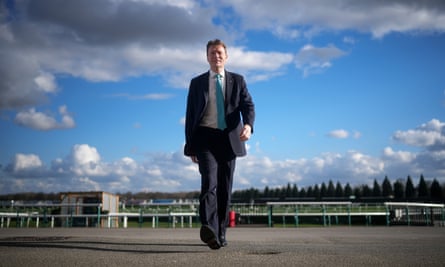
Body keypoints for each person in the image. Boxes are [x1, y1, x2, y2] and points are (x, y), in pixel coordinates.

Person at [184, 39, 255, 249]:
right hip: (205, 138)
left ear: (226, 56)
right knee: (209, 182)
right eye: (212, 53)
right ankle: (208, 227)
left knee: (225, 187)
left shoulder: (238, 80)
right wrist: (191, 146)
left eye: (220, 53)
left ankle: (221, 232)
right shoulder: (197, 83)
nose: (216, 56)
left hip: (229, 139)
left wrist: (249, 126)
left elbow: (248, 105)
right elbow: (190, 116)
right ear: (207, 57)